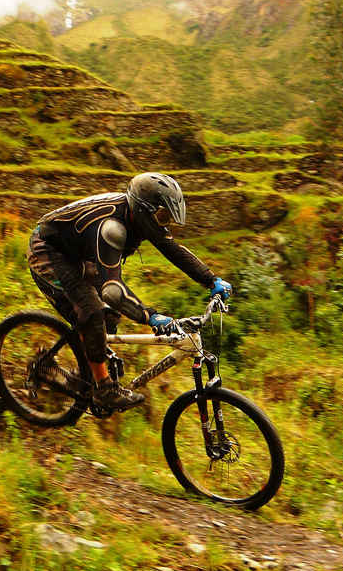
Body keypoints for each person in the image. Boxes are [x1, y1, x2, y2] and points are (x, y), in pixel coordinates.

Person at [27, 172, 232, 412]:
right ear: (143, 209)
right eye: (162, 215)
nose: (164, 222)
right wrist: (151, 316)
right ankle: (103, 389)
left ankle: (86, 374)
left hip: (78, 252)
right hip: (48, 250)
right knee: (92, 311)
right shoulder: (112, 229)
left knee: (109, 316)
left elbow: (173, 249)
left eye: (167, 217)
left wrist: (211, 280)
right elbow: (112, 291)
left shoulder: (140, 217)